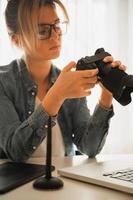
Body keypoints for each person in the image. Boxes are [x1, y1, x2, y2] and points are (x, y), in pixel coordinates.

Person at [0, 0, 125, 162]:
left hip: (65, 183)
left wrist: (107, 93)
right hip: (18, 185)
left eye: (57, 25)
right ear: (17, 39)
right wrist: (56, 95)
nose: (55, 35)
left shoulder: (68, 81)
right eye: (43, 30)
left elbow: (90, 148)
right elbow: (15, 150)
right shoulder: (4, 82)